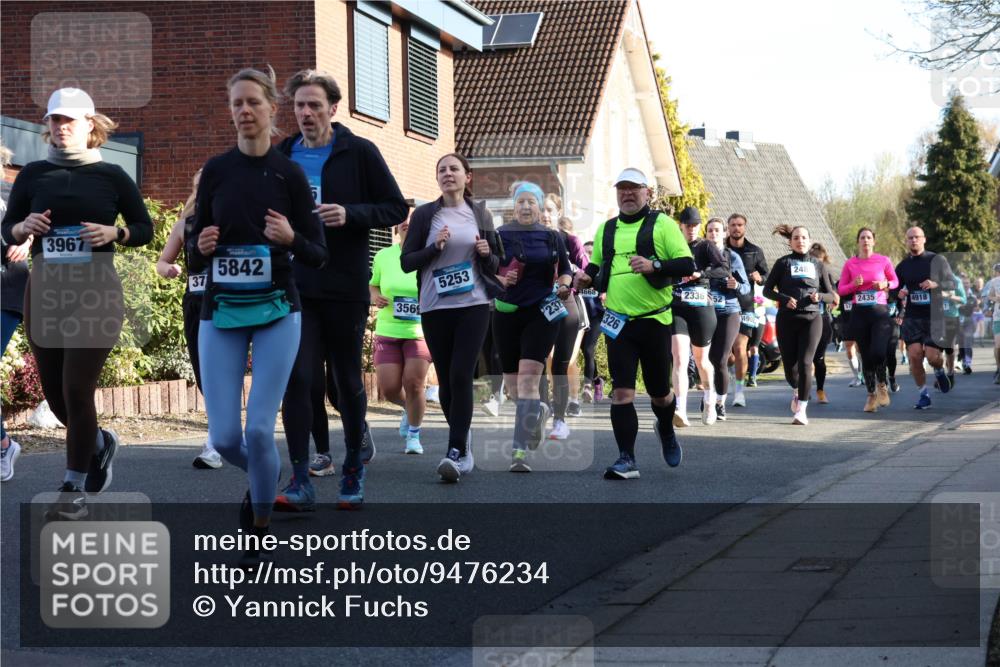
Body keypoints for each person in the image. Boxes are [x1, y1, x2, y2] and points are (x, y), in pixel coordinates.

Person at [189, 68, 327, 563]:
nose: (244, 111)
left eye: (253, 102)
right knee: (226, 437)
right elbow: (193, 250)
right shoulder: (217, 171)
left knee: (258, 430)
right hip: (221, 309)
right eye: (236, 104)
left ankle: (260, 525)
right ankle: (266, 476)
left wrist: (292, 239)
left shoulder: (289, 175)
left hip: (277, 310)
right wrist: (201, 246)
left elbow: (318, 253)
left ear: (272, 108)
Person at [2, 88, 153, 517]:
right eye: (54, 120)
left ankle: (72, 491)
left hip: (95, 292)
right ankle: (100, 443)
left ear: (90, 124)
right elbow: (9, 227)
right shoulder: (33, 174)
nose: (61, 127)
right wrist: (23, 228)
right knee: (56, 396)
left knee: (76, 388)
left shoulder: (111, 176)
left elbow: (143, 228)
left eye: (69, 120)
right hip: (45, 292)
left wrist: (116, 233)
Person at [275, 70, 407, 509]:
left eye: (314, 105)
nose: (306, 113)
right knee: (299, 377)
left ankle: (353, 466)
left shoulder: (359, 151)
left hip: (344, 282)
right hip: (296, 281)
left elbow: (394, 207)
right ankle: (300, 478)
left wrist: (350, 214)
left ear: (332, 108)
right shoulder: (283, 154)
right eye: (299, 105)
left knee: (346, 378)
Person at [574, 167, 695, 479]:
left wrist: (654, 265)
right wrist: (585, 278)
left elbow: (687, 264)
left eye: (634, 188)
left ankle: (666, 428)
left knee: (660, 394)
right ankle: (626, 459)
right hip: (618, 323)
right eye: (622, 189)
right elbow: (596, 270)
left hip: (655, 320)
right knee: (622, 393)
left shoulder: (662, 224)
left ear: (647, 193)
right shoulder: (606, 229)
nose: (627, 194)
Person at [401, 153, 503, 483]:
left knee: (461, 373)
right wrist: (435, 248)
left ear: (467, 176)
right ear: (437, 178)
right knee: (446, 380)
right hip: (434, 306)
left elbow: (497, 262)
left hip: (474, 304)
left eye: (454, 169)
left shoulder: (480, 213)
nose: (447, 173)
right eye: (442, 169)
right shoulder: (425, 215)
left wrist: (487, 254)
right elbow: (407, 262)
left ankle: (455, 450)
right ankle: (463, 437)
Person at [493, 183, 573, 471]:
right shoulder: (500, 235)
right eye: (521, 202)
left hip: (541, 312)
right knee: (514, 386)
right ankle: (537, 411)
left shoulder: (552, 237)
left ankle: (519, 451)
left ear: (539, 207)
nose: (526, 206)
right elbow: (485, 270)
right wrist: (500, 279)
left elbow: (565, 269)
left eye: (531, 202)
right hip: (506, 313)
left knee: (528, 378)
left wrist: (564, 285)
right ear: (513, 206)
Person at [156, 169, 224, 470]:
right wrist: (168, 270)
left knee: (220, 371)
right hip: (196, 303)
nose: (202, 192)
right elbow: (162, 261)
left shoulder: (233, 220)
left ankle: (216, 442)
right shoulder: (185, 225)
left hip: (226, 303)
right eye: (198, 187)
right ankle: (222, 434)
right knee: (203, 372)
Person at [368, 220, 431, 455]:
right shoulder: (383, 255)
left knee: (414, 384)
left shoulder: (428, 255)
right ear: (396, 228)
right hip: (388, 329)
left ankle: (414, 435)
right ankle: (409, 408)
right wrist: (376, 297)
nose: (407, 223)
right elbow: (373, 285)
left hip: (419, 331)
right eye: (403, 220)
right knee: (390, 388)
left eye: (413, 220)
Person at [763, 225, 836, 425]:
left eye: (804, 237)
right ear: (791, 242)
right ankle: (796, 390)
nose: (800, 241)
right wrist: (784, 298)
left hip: (812, 318)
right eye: (796, 237)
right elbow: (767, 290)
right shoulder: (783, 263)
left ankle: (802, 410)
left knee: (805, 363)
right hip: (787, 319)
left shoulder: (818, 265)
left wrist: (819, 296)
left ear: (809, 241)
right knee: (790, 368)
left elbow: (831, 295)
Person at [670, 207, 724, 426]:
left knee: (701, 360)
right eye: (687, 225)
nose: (691, 229)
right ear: (680, 226)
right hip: (678, 306)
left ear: (699, 226)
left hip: (702, 307)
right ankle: (680, 409)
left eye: (695, 225)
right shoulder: (673, 247)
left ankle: (710, 400)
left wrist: (700, 274)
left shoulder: (706, 246)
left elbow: (723, 269)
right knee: (679, 358)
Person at [894, 226, 956, 409]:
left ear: (924, 239)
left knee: (932, 357)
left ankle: (939, 371)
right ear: (906, 241)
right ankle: (923, 395)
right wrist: (898, 293)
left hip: (934, 317)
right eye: (910, 238)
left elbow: (951, 283)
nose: (913, 240)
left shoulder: (937, 260)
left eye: (917, 237)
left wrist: (935, 284)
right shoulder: (903, 266)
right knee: (914, 356)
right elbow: (893, 289)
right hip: (912, 317)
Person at [837, 228, 898, 413]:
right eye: (862, 237)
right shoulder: (850, 264)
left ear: (873, 241)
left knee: (878, 352)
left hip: (880, 313)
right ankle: (871, 395)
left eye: (869, 237)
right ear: (858, 242)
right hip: (860, 314)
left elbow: (895, 281)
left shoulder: (883, 260)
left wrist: (885, 284)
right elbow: (841, 289)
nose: (865, 240)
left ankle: (882, 385)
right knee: (865, 355)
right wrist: (853, 285)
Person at [1, 142, 29, 482]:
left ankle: (3, 447)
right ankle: (4, 443)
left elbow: (39, 222)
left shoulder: (11, 192)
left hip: (7, 289)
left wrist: (26, 240)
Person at [705, 218, 750, 418]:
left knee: (721, 358)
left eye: (717, 230)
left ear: (724, 233)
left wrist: (736, 285)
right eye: (710, 230)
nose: (713, 233)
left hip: (728, 311)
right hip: (704, 311)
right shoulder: (700, 255)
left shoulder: (733, 257)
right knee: (705, 359)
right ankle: (708, 396)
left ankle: (719, 402)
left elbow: (746, 287)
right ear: (706, 234)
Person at [726, 214, 769, 390]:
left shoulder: (755, 251)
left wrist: (760, 278)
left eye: (740, 225)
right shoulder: (720, 249)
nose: (736, 228)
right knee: (727, 353)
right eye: (733, 225)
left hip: (745, 305)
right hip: (723, 303)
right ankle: (728, 369)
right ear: (728, 227)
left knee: (740, 347)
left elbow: (767, 276)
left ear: (745, 227)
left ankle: (739, 390)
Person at [809, 242, 838, 404]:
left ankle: (820, 390)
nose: (817, 264)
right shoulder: (802, 274)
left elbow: (834, 297)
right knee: (804, 358)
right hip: (804, 320)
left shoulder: (827, 275)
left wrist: (829, 296)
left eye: (819, 261)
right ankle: (802, 388)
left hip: (822, 319)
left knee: (819, 359)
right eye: (814, 260)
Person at [579, 240, 604, 402]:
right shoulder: (579, 273)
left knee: (589, 349)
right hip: (581, 315)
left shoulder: (602, 273)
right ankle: (597, 381)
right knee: (583, 350)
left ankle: (587, 386)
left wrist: (605, 293)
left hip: (596, 315)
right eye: (585, 252)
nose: (588, 255)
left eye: (591, 253)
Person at [939, 273, 967, 388]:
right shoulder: (930, 278)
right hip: (935, 318)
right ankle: (940, 375)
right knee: (936, 349)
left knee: (949, 348)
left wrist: (948, 295)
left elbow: (963, 300)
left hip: (951, 318)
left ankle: (950, 373)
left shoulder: (956, 280)